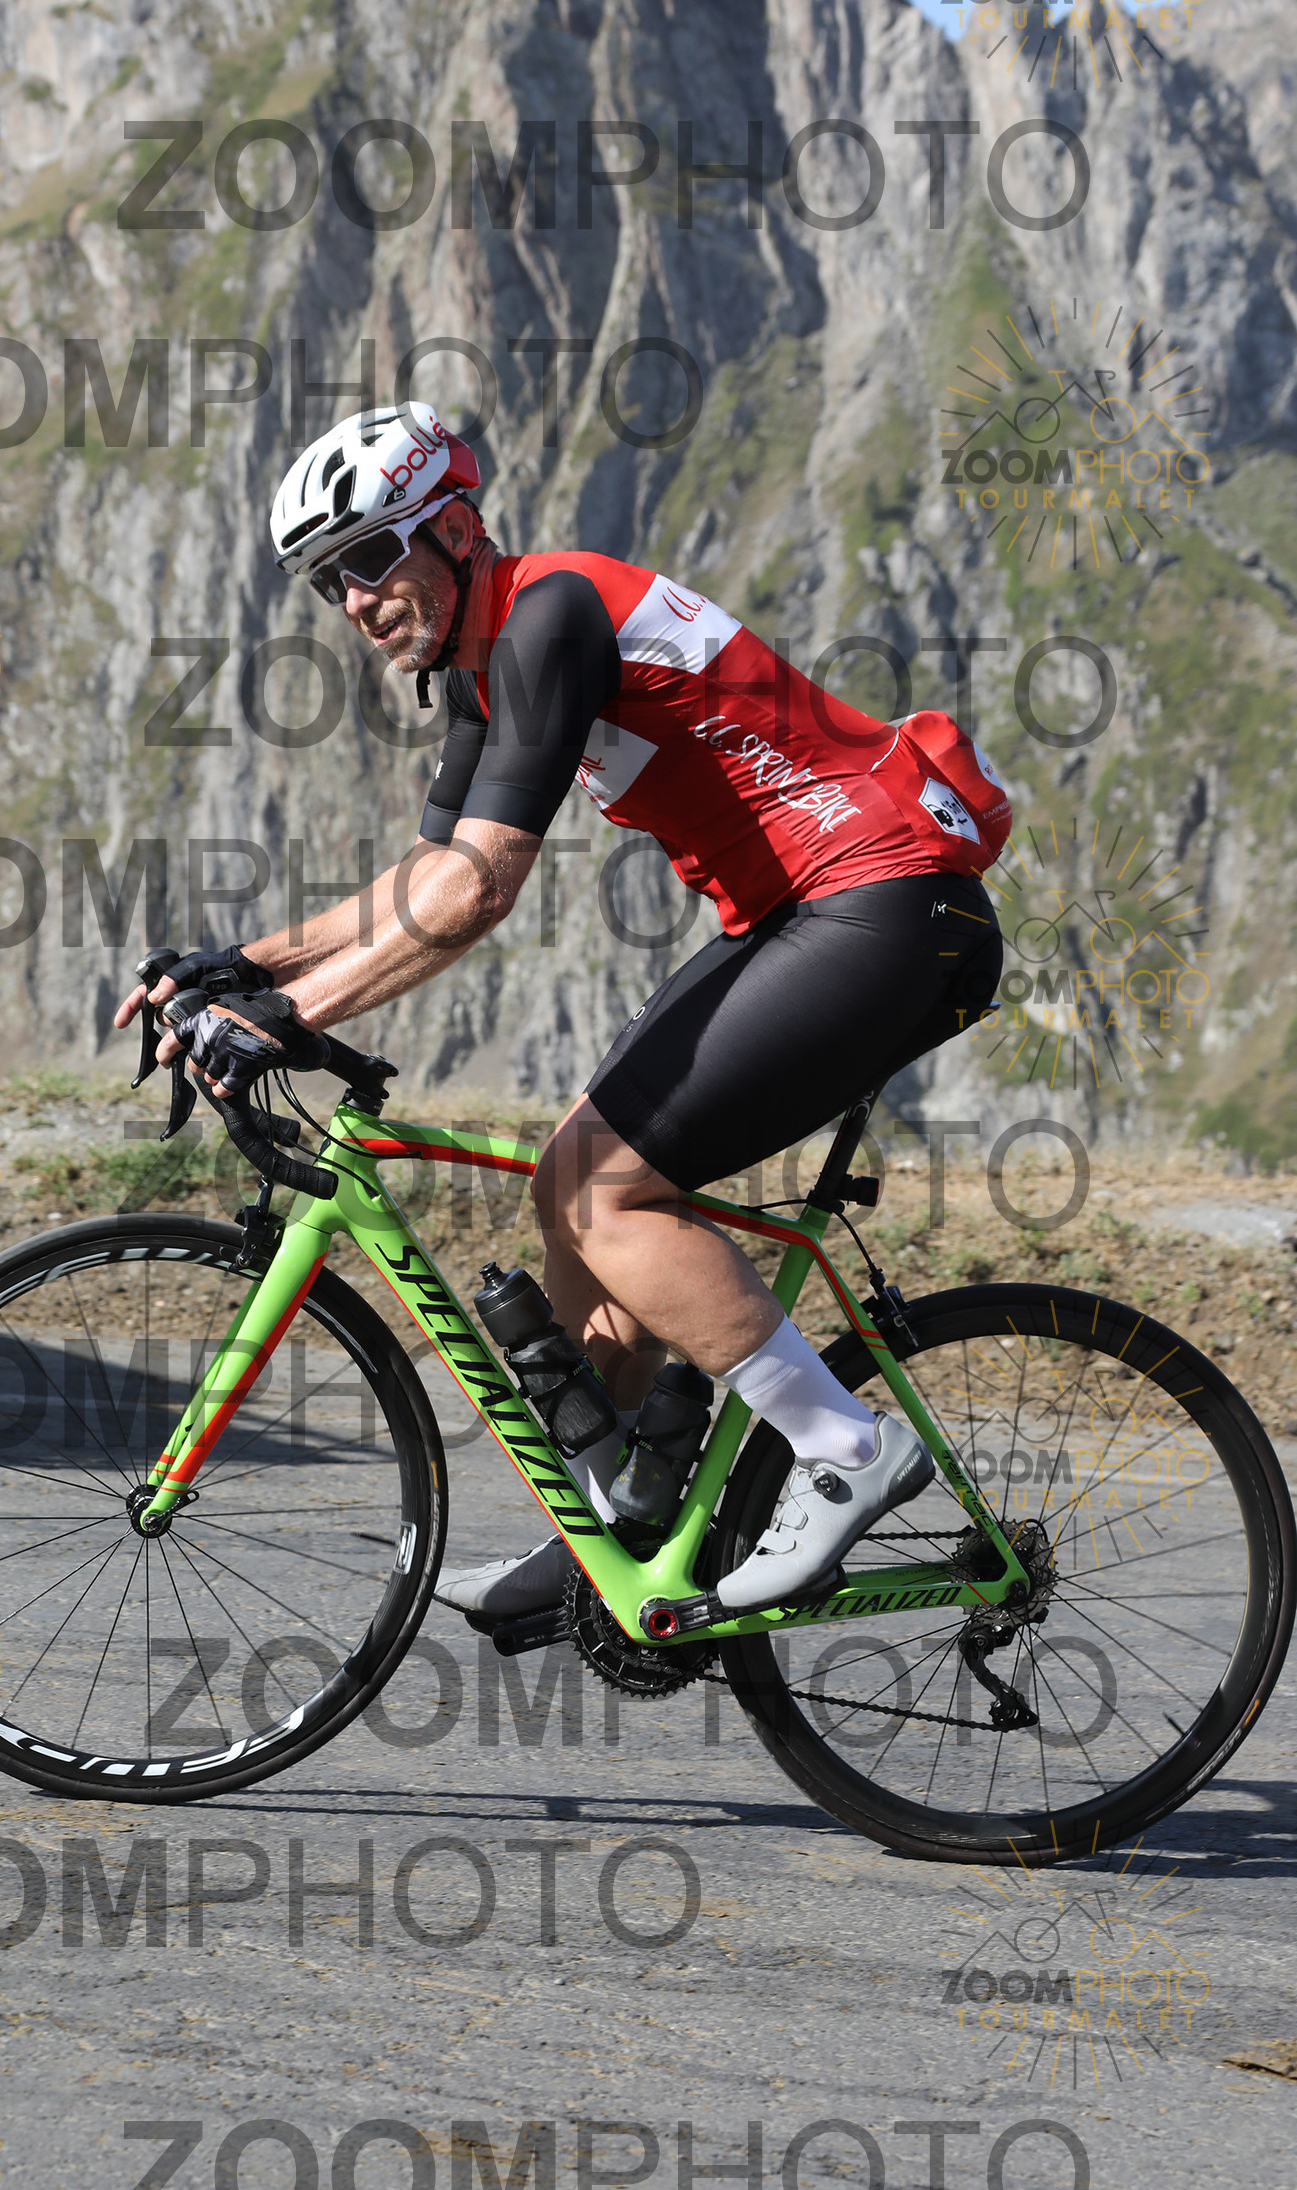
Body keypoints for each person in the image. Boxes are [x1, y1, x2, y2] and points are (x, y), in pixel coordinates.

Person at [115, 403, 1008, 1620]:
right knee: (567, 1192)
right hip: (806, 917)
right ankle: (612, 1534)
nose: (355, 602)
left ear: (455, 530)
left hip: (879, 905)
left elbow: (480, 891)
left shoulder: (551, 615)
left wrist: (284, 1013)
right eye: (329, 581)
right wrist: (247, 965)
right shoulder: (484, 663)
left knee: (605, 1191)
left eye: (370, 557)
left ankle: (842, 1449)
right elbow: (427, 875)